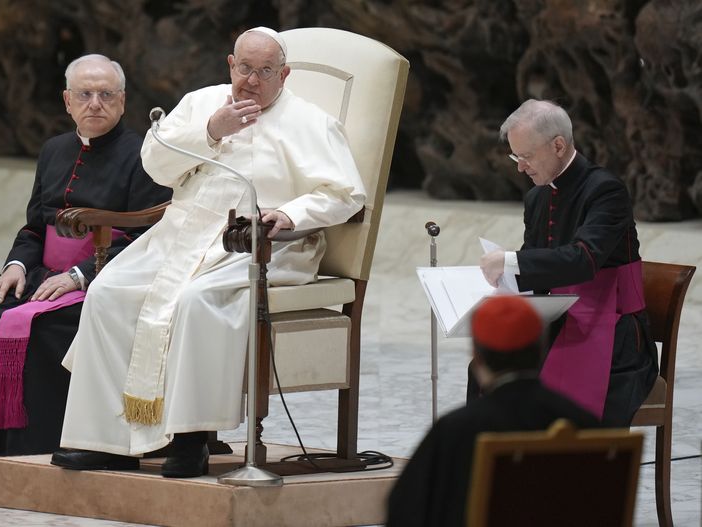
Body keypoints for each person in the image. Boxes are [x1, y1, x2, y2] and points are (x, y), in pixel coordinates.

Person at [50, 27, 365, 477]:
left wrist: (290, 214)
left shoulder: (311, 122)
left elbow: (345, 194)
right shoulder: (202, 103)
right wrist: (211, 131)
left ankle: (190, 440)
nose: (251, 80)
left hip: (259, 245)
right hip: (181, 234)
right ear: (229, 65)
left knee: (197, 301)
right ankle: (106, 441)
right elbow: (154, 163)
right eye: (244, 68)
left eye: (265, 71)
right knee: (109, 292)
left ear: (284, 74)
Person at [0, 54, 172, 481]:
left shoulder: (144, 155)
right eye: (84, 94)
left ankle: (42, 454)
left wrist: (81, 276)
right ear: (67, 101)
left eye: (106, 94)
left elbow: (145, 237)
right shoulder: (54, 150)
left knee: (51, 328)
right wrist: (15, 265)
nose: (95, 103)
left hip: (105, 281)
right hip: (42, 278)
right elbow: (35, 227)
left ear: (123, 101)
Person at [477, 99, 658, 426]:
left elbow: (583, 259)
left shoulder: (606, 190)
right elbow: (535, 269)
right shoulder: (537, 196)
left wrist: (509, 261)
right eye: (515, 156)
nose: (520, 166)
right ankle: (500, 468)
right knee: (491, 372)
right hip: (558, 320)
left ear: (558, 145)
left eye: (526, 156)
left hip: (615, 335)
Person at [387, 296, 600, 527]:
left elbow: (403, 510)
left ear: (477, 357)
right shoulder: (586, 425)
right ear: (540, 348)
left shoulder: (455, 431)